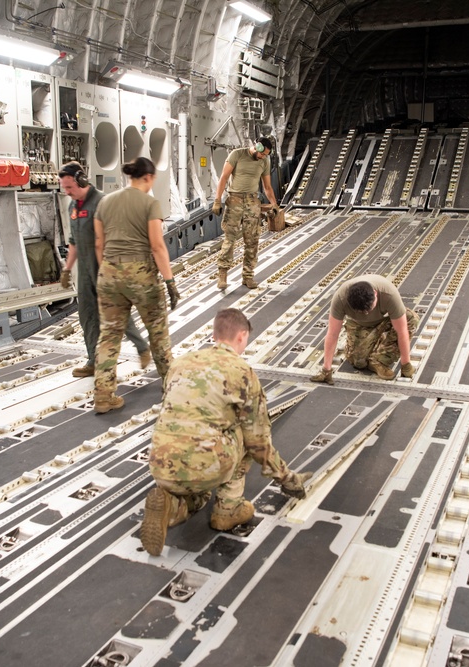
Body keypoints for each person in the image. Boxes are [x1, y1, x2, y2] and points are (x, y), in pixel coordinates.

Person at [140, 308, 311, 556]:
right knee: (243, 435)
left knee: (198, 460)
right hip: (207, 464)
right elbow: (258, 442)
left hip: (160, 463)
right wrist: (287, 479)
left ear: (215, 333)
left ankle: (173, 506)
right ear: (242, 336)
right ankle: (227, 510)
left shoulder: (180, 363)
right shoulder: (242, 372)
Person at [93, 157, 180, 414]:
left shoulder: (105, 202)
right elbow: (157, 246)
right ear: (148, 177)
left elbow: (98, 244)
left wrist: (108, 271)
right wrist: (170, 281)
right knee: (158, 332)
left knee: (109, 335)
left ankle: (103, 396)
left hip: (108, 274)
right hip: (141, 276)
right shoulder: (150, 204)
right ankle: (171, 386)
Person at [58, 162, 152, 377]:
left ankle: (142, 348)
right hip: (85, 270)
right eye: (64, 188)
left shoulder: (103, 203)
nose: (67, 192)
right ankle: (93, 360)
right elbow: (73, 240)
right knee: (87, 315)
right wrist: (67, 268)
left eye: (70, 187)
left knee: (116, 313)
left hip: (107, 267)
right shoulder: (73, 207)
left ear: (81, 180)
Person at [310, 275, 417, 383]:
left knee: (411, 319)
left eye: (369, 309)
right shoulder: (340, 298)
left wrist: (405, 365)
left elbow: (402, 331)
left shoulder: (389, 294)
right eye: (362, 312)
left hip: (383, 321)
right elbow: (332, 334)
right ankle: (373, 340)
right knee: (359, 362)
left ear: (375, 294)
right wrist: (326, 370)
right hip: (358, 324)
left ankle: (379, 360)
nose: (366, 314)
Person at [212, 137, 279, 291]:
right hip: (234, 200)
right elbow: (224, 177)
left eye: (266, 155)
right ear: (257, 147)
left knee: (252, 240)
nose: (263, 157)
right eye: (263, 154)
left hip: (252, 201)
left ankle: (248, 276)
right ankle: (222, 275)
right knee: (229, 239)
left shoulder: (265, 162)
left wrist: (274, 204)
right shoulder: (237, 154)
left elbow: (267, 186)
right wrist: (217, 200)